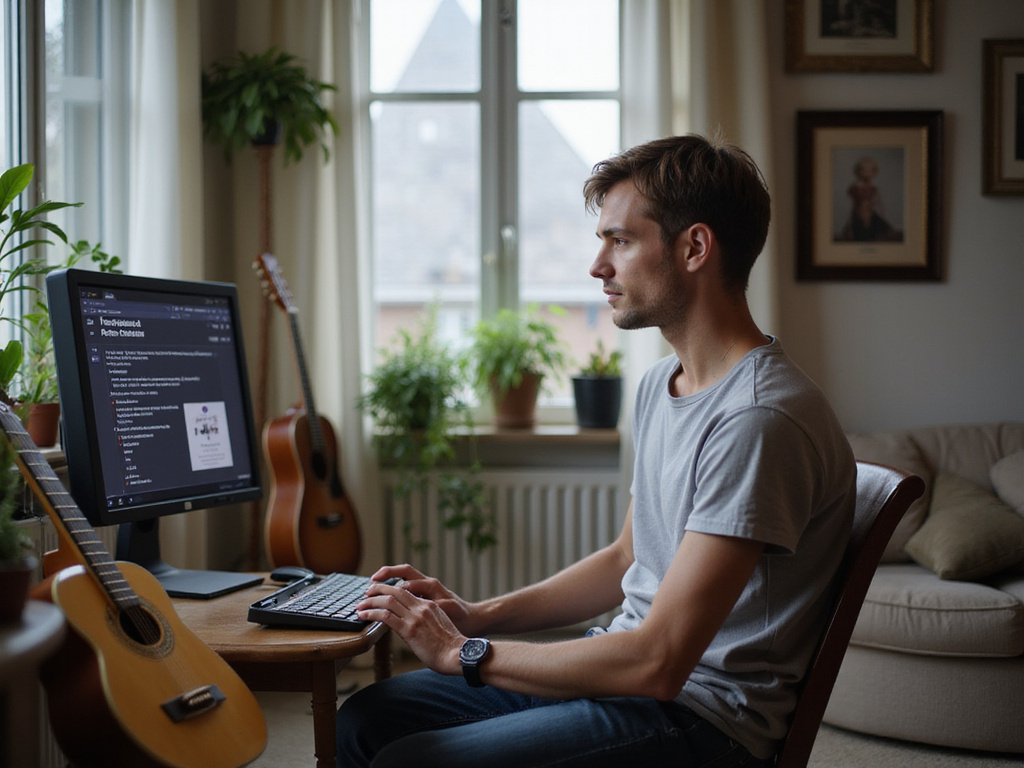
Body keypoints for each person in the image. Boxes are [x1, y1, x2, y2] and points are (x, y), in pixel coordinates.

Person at [336, 134, 856, 768]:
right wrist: (475, 617)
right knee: (366, 717)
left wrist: (461, 652)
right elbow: (625, 559)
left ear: (695, 247)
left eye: (621, 240)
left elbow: (661, 662)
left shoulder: (758, 419)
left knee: (413, 760)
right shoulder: (661, 386)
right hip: (632, 675)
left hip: (703, 719)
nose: (598, 267)